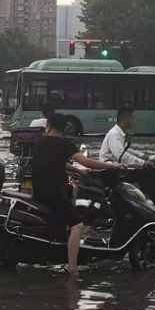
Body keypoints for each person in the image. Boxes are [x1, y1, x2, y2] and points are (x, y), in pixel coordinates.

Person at [32, 113, 121, 277]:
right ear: (65, 128)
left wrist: (77, 170)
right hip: (54, 193)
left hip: (39, 190)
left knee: (72, 191)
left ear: (48, 126)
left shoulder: (39, 142)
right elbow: (86, 161)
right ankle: (72, 269)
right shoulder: (65, 144)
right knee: (77, 226)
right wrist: (111, 166)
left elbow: (54, 162)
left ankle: (61, 236)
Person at [99, 107, 155, 212]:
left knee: (146, 175)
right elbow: (122, 155)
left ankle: (154, 206)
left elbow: (127, 150)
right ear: (125, 119)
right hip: (111, 172)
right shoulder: (114, 134)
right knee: (145, 176)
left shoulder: (120, 133)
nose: (133, 121)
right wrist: (143, 163)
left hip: (118, 170)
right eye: (132, 118)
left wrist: (143, 156)